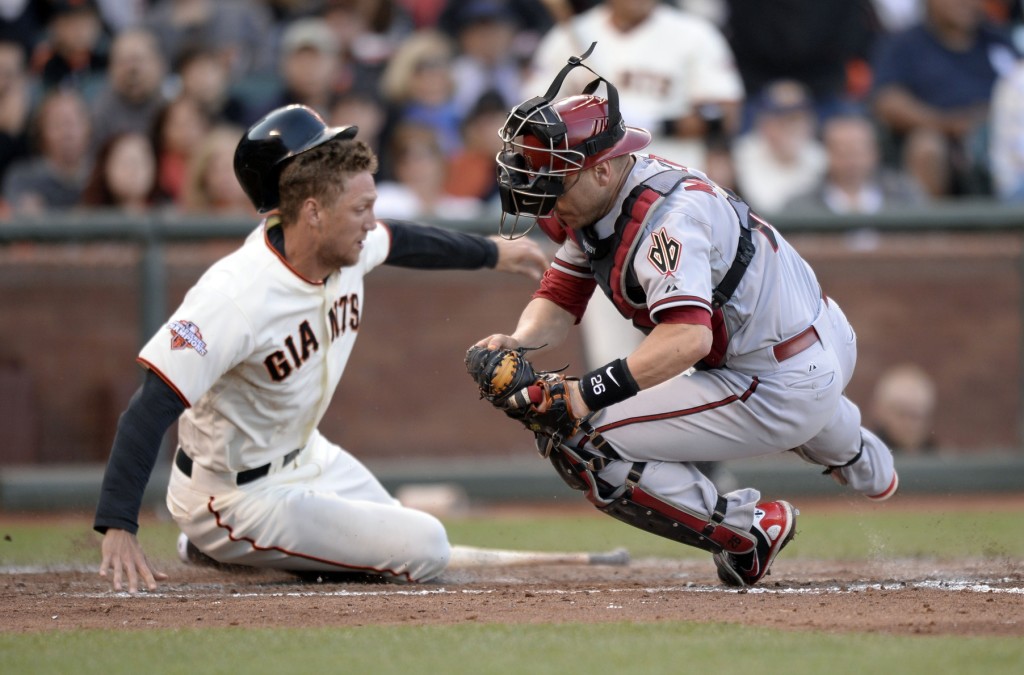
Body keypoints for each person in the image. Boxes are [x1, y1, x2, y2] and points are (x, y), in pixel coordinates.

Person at [474, 50, 898, 588]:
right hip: (807, 340)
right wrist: (518, 341)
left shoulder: (666, 223)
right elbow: (561, 293)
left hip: (773, 377)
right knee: (806, 410)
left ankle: (750, 532)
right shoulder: (604, 195)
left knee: (579, 437)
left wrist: (583, 395)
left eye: (553, 177)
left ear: (602, 167)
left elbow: (687, 339)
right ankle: (856, 451)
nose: (542, 194)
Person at [94, 104, 548, 593]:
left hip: (308, 457)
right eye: (361, 210)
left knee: (394, 532)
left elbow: (406, 240)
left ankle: (245, 553)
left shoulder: (346, 243)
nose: (373, 223)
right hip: (231, 494)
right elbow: (149, 409)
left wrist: (494, 252)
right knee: (427, 546)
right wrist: (118, 524)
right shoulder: (235, 296)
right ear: (312, 211)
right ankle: (216, 544)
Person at [870, 0, 1018, 197]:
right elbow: (887, 102)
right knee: (927, 145)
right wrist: (950, 124)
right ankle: (932, 225)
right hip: (942, 143)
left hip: (996, 137)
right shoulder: (905, 44)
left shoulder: (997, 41)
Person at [784, 112, 927, 214]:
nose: (851, 160)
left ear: (875, 152)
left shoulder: (904, 195)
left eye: (858, 151)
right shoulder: (800, 205)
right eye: (842, 151)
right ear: (827, 154)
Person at [732, 80, 827, 215]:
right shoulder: (742, 153)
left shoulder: (820, 155)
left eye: (797, 118)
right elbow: (765, 207)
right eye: (781, 119)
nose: (791, 127)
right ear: (763, 122)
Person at [2, 89, 91, 214]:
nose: (67, 133)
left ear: (88, 127)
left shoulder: (101, 175)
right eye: (57, 124)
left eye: (73, 123)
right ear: (42, 132)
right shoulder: (22, 177)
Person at [867, 363, 938, 454]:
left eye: (916, 416)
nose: (909, 424)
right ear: (880, 411)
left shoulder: (941, 460)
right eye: (902, 414)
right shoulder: (867, 455)